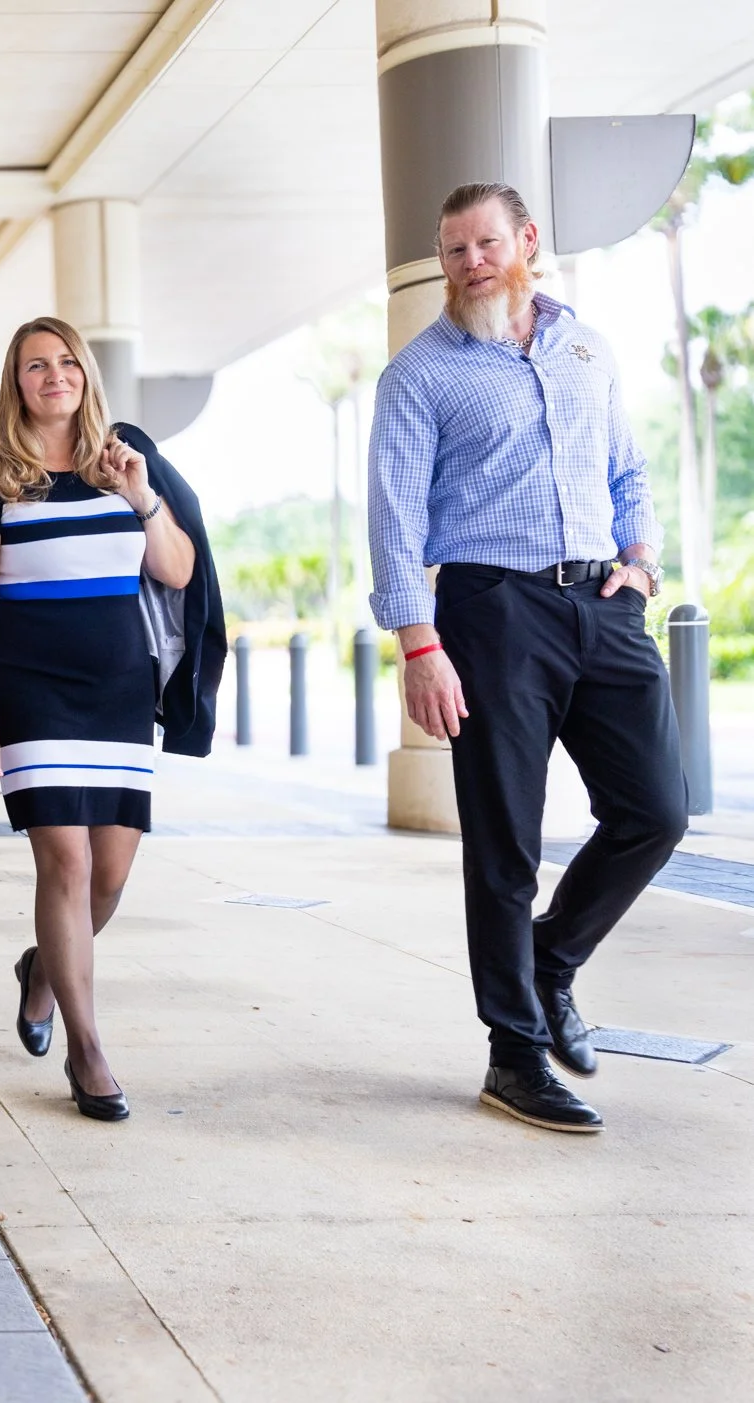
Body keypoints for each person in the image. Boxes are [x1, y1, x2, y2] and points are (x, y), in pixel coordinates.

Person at [369, 182, 684, 1134]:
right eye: (452, 248)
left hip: (604, 604)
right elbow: (394, 516)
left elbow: (626, 467)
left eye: (485, 243)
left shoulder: (586, 346)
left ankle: (550, 963)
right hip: (492, 610)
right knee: (504, 841)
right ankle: (514, 1053)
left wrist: (641, 560)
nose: (469, 262)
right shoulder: (419, 374)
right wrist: (418, 641)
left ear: (527, 242)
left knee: (656, 810)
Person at [0, 316, 223, 1121]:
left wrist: (140, 496)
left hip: (117, 691)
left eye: (67, 361)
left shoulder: (123, 457)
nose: (54, 375)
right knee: (64, 865)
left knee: (109, 875)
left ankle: (41, 972)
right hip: (31, 689)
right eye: (36, 365)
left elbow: (176, 568)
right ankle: (87, 1048)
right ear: (17, 383)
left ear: (86, 374)